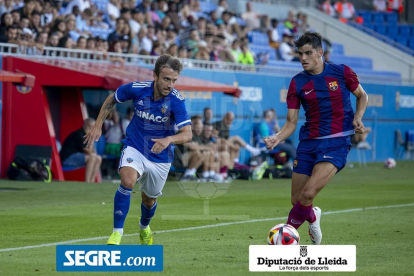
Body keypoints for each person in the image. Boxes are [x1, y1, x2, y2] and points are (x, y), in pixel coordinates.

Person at [264, 32, 368, 245]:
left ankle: (286, 236)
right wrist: (277, 137)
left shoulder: (342, 72)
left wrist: (358, 117)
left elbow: (362, 95)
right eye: (300, 54)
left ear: (320, 53)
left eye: (308, 53)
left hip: (337, 141)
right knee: (298, 200)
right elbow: (291, 122)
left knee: (308, 193)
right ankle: (313, 216)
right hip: (308, 143)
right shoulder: (297, 83)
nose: (303, 58)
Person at [84, 54, 192, 246]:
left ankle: (144, 227)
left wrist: (169, 139)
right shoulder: (138, 89)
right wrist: (98, 124)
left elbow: (187, 134)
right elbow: (112, 99)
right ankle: (117, 233)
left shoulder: (177, 101)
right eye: (166, 79)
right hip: (135, 146)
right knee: (127, 180)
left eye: (174, 80)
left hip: (161, 156)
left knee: (149, 200)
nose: (170, 85)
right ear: (155, 76)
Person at [60, 118, 102, 183]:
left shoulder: (87, 135)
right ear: (86, 126)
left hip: (77, 156)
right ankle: (87, 182)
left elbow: (94, 152)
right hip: (67, 158)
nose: (92, 129)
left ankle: (92, 181)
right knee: (92, 158)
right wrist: (90, 138)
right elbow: (88, 151)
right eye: (90, 127)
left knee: (98, 158)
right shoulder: (79, 134)